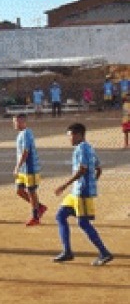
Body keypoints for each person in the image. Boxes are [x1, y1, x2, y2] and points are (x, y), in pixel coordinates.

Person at [53, 123, 114, 266]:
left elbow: (82, 169)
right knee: (60, 215)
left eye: (71, 135)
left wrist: (64, 185)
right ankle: (67, 251)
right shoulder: (89, 148)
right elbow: (98, 169)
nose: (70, 139)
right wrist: (92, 182)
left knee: (83, 223)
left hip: (81, 192)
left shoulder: (82, 149)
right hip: (77, 191)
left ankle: (104, 253)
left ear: (79, 135)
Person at [13, 114, 47, 226]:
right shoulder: (21, 134)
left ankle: (35, 217)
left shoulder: (27, 133)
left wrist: (17, 166)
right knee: (19, 191)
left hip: (30, 168)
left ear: (23, 122)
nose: (14, 124)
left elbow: (25, 152)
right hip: (23, 170)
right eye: (14, 122)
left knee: (32, 192)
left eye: (16, 122)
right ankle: (39, 207)